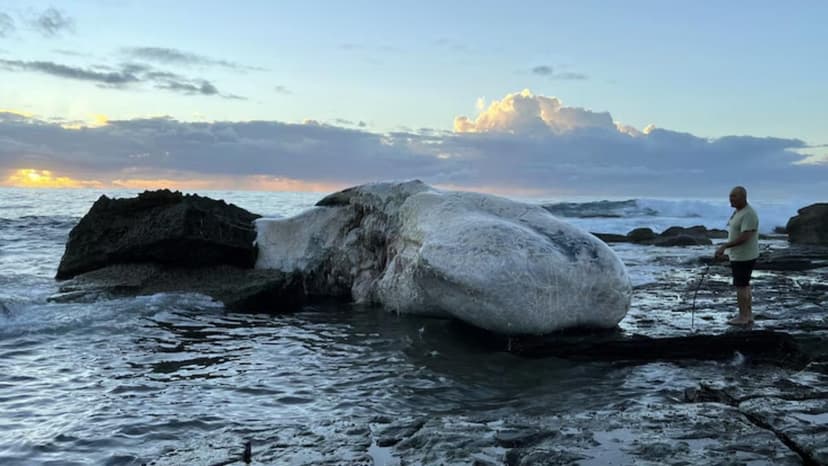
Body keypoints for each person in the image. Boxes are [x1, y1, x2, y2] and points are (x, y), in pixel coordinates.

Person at [715, 186, 759, 325]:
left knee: (741, 286)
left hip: (744, 256)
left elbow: (746, 236)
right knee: (745, 285)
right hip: (739, 255)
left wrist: (725, 246)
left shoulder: (749, 214)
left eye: (734, 196)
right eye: (730, 196)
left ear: (743, 197)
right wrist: (727, 251)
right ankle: (748, 315)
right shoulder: (738, 212)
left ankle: (743, 317)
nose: (731, 199)